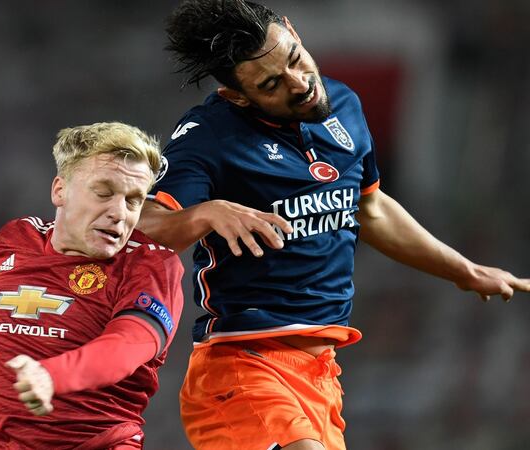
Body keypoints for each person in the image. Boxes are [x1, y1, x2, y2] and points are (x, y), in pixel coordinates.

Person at [135, 1, 530, 449]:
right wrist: (204, 212)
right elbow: (146, 224)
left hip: (321, 377)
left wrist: (465, 271)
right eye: (271, 84)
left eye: (295, 60)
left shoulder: (343, 104)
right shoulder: (209, 134)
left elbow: (372, 209)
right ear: (237, 96)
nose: (299, 83)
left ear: (292, 31)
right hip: (243, 370)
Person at [0, 122, 185, 449]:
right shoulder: (15, 239)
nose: (118, 213)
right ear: (60, 190)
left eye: (133, 200)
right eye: (104, 193)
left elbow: (129, 345)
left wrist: (52, 375)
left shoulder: (151, 265)